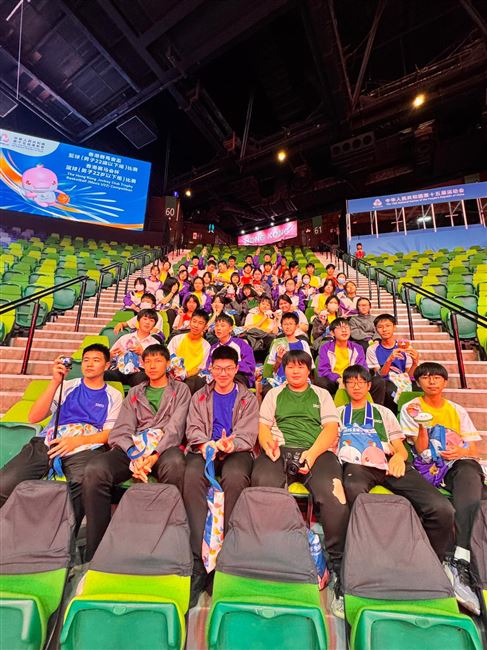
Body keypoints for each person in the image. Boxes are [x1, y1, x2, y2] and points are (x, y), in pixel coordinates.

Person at [251, 349, 349, 618]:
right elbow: (263, 426)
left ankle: (338, 567)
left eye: (300, 366)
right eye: (290, 367)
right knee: (261, 485)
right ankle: (267, 556)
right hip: (281, 449)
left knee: (334, 497)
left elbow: (331, 430)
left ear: (309, 370)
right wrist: (268, 445)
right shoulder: (274, 394)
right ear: (283, 370)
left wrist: (312, 454)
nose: (295, 371)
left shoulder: (321, 394)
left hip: (316, 451)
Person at [337, 365, 455, 563]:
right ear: (345, 385)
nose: (356, 386)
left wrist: (399, 458)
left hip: (391, 462)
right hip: (358, 466)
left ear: (369, 386)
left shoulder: (383, 413)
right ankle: (366, 556)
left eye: (361, 382)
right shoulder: (338, 413)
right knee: (353, 490)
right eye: (351, 382)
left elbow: (400, 447)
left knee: (441, 508)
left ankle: (433, 562)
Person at [83, 344, 190, 561]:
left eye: (158, 360)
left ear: (167, 364)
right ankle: (96, 550)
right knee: (96, 469)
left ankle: (165, 542)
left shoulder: (181, 390)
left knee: (175, 465)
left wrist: (153, 456)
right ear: (142, 364)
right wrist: (134, 454)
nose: (152, 366)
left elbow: (176, 428)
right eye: (147, 361)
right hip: (135, 447)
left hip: (164, 449)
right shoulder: (135, 392)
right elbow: (122, 429)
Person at [0, 345, 123, 527]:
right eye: (86, 360)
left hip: (84, 447)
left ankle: (61, 536)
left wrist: (76, 442)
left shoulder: (113, 395)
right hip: (48, 442)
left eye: (96, 360)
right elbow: (34, 417)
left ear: (106, 365)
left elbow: (108, 434)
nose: (89, 364)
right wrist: (55, 382)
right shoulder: (67, 386)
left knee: (82, 487)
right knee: (5, 483)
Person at [400, 362, 485, 615]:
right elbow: (419, 449)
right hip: (429, 467)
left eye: (436, 377)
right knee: (471, 486)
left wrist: (460, 451)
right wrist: (421, 425)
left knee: (469, 469)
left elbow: (473, 449)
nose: (431, 381)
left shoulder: (457, 410)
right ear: (418, 382)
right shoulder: (411, 407)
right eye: (425, 377)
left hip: (456, 464)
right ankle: (460, 561)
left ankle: (461, 557)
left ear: (445, 382)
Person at [184, 346, 259, 606]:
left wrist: (231, 444)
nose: (223, 373)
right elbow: (193, 427)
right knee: (192, 476)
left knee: (236, 477)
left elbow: (248, 434)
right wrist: (206, 444)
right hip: (206, 448)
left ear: (236, 369)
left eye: (228, 368)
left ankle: (226, 559)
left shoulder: (247, 398)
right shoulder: (200, 396)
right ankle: (198, 561)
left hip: (235, 451)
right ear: (211, 369)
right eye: (218, 368)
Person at [315, 318, 385, 404]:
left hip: (355, 379)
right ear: (332, 333)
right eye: (340, 328)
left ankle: (375, 409)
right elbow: (323, 370)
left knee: (379, 381)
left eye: (347, 328)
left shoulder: (357, 348)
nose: (344, 330)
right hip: (335, 381)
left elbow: (362, 368)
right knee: (320, 382)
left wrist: (352, 380)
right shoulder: (326, 348)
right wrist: (338, 379)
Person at [366, 314, 420, 413]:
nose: (384, 329)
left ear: (394, 327)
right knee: (389, 389)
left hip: (403, 380)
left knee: (419, 389)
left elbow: (409, 376)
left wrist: (415, 363)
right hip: (385, 381)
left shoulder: (405, 347)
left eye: (388, 326)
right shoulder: (372, 349)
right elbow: (381, 375)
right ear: (376, 330)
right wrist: (389, 360)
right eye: (380, 327)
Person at [105, 309, 160, 387]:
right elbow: (111, 356)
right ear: (138, 321)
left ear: (154, 325)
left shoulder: (155, 343)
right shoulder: (125, 338)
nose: (147, 322)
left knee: (142, 378)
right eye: (145, 319)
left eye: (151, 321)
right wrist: (111, 355)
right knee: (104, 375)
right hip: (121, 369)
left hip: (140, 371)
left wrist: (142, 353)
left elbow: (156, 365)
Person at [167, 309, 211, 394]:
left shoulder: (206, 346)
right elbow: (168, 358)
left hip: (191, 377)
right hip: (172, 374)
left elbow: (200, 368)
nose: (196, 325)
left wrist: (185, 375)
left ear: (205, 327)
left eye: (200, 323)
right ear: (189, 322)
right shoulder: (177, 339)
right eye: (194, 321)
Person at [207, 314, 256, 387]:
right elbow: (209, 366)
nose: (218, 328)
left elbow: (250, 366)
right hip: (217, 375)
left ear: (230, 329)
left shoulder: (241, 344)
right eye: (216, 326)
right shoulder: (213, 348)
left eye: (222, 326)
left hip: (239, 375)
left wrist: (230, 366)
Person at [267, 312, 313, 385]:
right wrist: (278, 360)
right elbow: (274, 370)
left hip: (300, 379)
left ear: (296, 326)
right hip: (280, 380)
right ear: (281, 326)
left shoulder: (303, 344)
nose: (288, 327)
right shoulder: (277, 343)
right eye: (285, 324)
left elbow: (309, 366)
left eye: (291, 324)